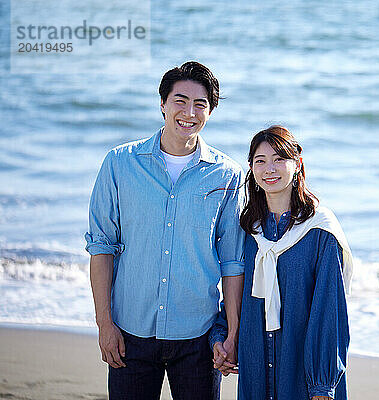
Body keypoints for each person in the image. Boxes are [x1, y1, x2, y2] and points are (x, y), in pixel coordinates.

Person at [85, 61, 244, 400]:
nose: (189, 112)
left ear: (210, 111)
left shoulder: (227, 175)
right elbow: (102, 246)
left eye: (200, 104)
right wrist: (105, 325)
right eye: (180, 100)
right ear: (163, 104)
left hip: (197, 336)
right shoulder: (119, 163)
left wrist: (231, 333)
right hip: (131, 333)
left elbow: (233, 262)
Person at [212, 125, 353, 400]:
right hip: (256, 371)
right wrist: (222, 336)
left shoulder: (320, 231)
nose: (270, 169)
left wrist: (322, 384)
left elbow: (330, 310)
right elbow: (235, 293)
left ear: (297, 163)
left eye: (279, 159)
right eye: (260, 161)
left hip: (304, 377)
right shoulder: (248, 231)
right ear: (251, 168)